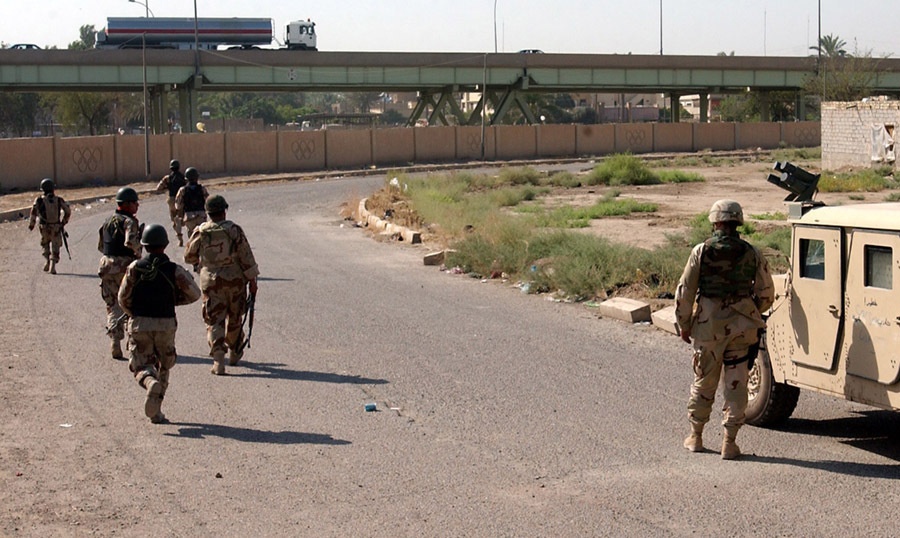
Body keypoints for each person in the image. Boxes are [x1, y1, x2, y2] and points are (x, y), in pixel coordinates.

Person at [675, 199, 775, 460]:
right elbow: (766, 294)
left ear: (715, 222)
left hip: (709, 327)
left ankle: (696, 437)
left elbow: (685, 293)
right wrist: (749, 309)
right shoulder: (752, 252)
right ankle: (729, 442)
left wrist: (685, 324)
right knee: (736, 383)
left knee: (704, 381)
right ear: (738, 222)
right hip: (742, 327)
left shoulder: (701, 251)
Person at [118, 224, 200, 424]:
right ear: (165, 245)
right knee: (164, 365)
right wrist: (174, 300)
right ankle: (157, 410)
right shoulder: (174, 270)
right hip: (166, 323)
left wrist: (133, 314)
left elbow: (122, 298)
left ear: (144, 245)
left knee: (140, 365)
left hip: (140, 323)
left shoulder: (134, 268)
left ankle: (149, 381)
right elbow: (195, 294)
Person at [184, 195, 259, 375]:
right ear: (224, 210)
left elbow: (188, 256)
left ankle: (218, 360)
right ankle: (234, 351)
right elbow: (246, 256)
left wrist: (204, 264)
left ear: (208, 212)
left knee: (214, 320)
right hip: (235, 281)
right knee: (234, 317)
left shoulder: (200, 231)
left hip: (210, 282)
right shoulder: (234, 230)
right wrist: (252, 281)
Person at [98, 187, 142, 360]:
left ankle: (115, 340)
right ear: (126, 204)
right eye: (135, 202)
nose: (137, 206)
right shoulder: (129, 222)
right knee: (130, 305)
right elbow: (130, 242)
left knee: (112, 306)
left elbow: (101, 246)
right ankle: (133, 344)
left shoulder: (107, 221)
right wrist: (139, 253)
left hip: (106, 265)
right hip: (124, 266)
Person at [28, 178, 71, 274]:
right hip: (56, 227)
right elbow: (67, 211)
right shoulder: (59, 200)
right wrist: (63, 222)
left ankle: (47, 260)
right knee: (56, 245)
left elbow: (33, 212)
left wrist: (32, 224)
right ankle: (53, 265)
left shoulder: (38, 200)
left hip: (44, 227)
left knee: (45, 243)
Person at [156, 159, 186, 246]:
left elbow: (158, 188)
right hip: (181, 199)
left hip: (172, 200)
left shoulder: (168, 178)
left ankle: (179, 238)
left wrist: (167, 188)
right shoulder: (183, 177)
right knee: (180, 218)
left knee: (175, 220)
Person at [175, 167, 208, 242]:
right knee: (202, 236)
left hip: (189, 217)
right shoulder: (202, 189)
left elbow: (178, 205)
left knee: (192, 237)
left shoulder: (182, 190)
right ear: (197, 178)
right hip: (201, 216)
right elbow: (208, 201)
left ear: (186, 179)